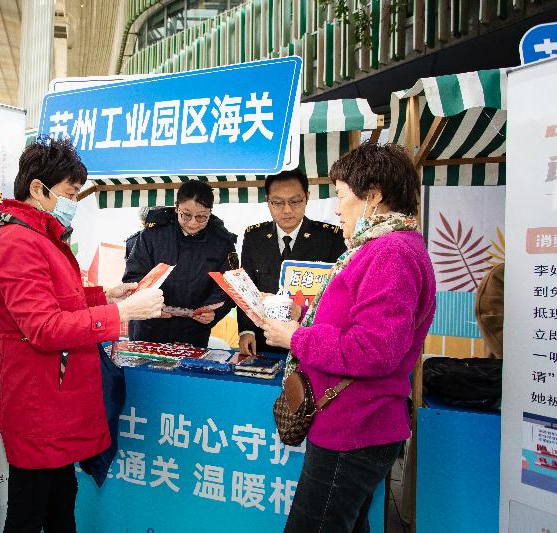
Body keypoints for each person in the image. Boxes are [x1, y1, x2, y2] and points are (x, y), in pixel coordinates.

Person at [0, 137, 164, 533]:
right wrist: (121, 314)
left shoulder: (42, 237)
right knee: (29, 514)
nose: (73, 203)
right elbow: (43, 327)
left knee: (62, 505)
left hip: (57, 401)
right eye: (69, 193)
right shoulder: (18, 242)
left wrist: (106, 296)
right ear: (38, 189)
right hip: (39, 403)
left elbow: (60, 301)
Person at [260, 143, 436, 533]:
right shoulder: (383, 247)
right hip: (353, 421)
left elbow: (374, 350)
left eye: (341, 195)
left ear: (373, 195)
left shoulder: (390, 253)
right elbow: (356, 325)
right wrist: (304, 319)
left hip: (355, 425)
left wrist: (297, 338)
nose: (337, 209)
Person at [238, 169, 346, 355]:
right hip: (264, 340)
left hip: (309, 341)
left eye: (295, 201)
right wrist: (246, 331)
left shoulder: (330, 238)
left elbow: (337, 296)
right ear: (268, 201)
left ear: (307, 198)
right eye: (278, 202)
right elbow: (247, 288)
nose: (287, 210)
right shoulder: (254, 237)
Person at [123, 179, 237, 348]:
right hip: (149, 327)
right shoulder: (153, 234)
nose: (193, 222)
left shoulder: (222, 242)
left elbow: (228, 287)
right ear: (176, 208)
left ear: (210, 212)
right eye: (186, 215)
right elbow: (134, 276)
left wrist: (214, 312)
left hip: (193, 331)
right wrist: (150, 303)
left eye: (201, 217)